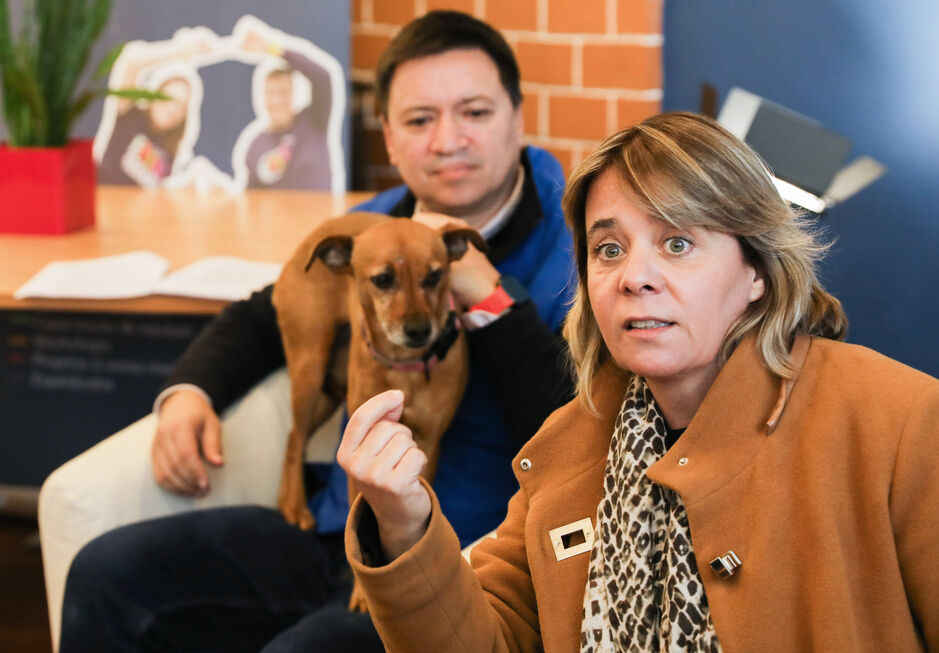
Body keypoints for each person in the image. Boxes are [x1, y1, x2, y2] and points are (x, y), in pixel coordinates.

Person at [340, 112, 939, 652]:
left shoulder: (907, 426)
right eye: (609, 249)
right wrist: (403, 522)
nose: (633, 276)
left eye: (676, 244)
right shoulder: (568, 447)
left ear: (757, 269)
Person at [59, 11, 576, 652]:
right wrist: (189, 391)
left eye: (474, 112)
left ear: (518, 119)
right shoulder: (372, 226)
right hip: (337, 532)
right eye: (419, 120)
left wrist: (490, 298)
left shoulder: (578, 246)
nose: (448, 140)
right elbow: (263, 312)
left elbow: (576, 432)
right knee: (109, 573)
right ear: (388, 138)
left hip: (469, 568)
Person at [235, 24, 342, 191]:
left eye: (283, 92)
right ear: (262, 98)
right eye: (271, 93)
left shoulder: (314, 121)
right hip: (278, 217)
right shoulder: (255, 146)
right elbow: (250, 201)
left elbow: (323, 77)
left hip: (321, 214)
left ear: (294, 95)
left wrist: (273, 49)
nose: (277, 100)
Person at [96, 36, 210, 187]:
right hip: (106, 202)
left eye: (181, 106)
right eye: (169, 98)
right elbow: (131, 61)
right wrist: (178, 51)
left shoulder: (172, 149)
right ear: (155, 95)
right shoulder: (130, 113)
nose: (172, 109)